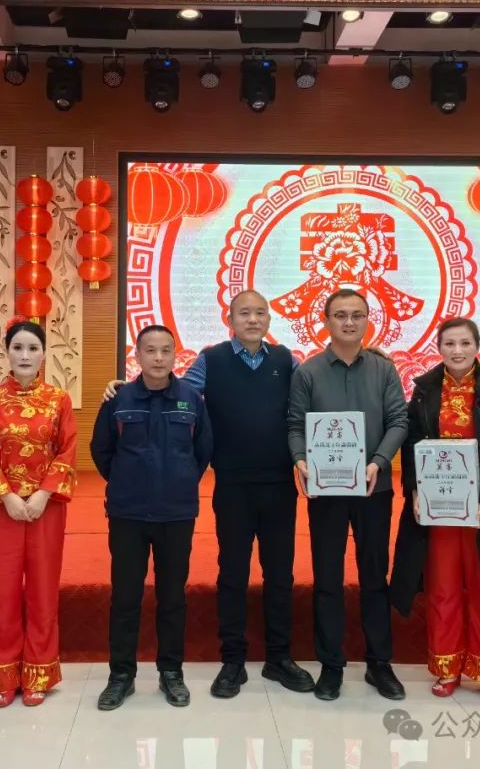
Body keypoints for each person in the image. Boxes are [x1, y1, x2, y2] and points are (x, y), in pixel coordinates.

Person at [104, 290, 314, 700]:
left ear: (269, 319)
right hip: (232, 485)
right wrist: (123, 387)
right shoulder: (211, 360)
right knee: (232, 572)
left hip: (278, 484)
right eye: (244, 313)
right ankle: (232, 660)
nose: (253, 319)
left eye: (260, 312)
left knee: (280, 574)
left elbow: (313, 394)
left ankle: (279, 657)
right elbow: (172, 390)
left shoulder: (286, 360)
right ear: (229, 319)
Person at [390, 317, 480, 704]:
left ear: (476, 346)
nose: (457, 350)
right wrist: (415, 489)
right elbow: (412, 444)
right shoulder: (424, 390)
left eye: (465, 343)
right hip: (438, 510)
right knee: (443, 587)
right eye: (449, 343)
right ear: (438, 348)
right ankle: (446, 666)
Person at [287, 288, 408, 702]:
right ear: (326, 321)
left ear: (368, 320)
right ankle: (331, 665)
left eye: (357, 315)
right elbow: (295, 425)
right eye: (340, 315)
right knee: (327, 577)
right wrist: (300, 459)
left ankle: (379, 664)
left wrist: (378, 461)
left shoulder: (383, 370)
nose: (349, 322)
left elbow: (398, 420)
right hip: (327, 490)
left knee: (374, 575)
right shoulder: (308, 371)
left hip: (375, 487)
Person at [91, 325, 213, 711]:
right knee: (125, 597)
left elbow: (203, 451)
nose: (158, 358)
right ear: (137, 355)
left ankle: (171, 672)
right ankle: (121, 676)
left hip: (176, 514)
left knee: (172, 597)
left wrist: (178, 481)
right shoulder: (118, 399)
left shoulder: (192, 400)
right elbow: (101, 450)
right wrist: (127, 482)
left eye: (165, 351)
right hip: (128, 513)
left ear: (175, 355)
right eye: (150, 351)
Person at [0, 316, 77, 708]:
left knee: (42, 591)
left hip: (45, 508)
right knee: (1, 592)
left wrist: (43, 495)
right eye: (17, 347)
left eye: (33, 348)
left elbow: (67, 450)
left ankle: (38, 674)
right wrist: (8, 497)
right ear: (6, 352)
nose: (25, 355)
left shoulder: (58, 400)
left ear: (44, 354)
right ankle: (3, 677)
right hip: (2, 509)